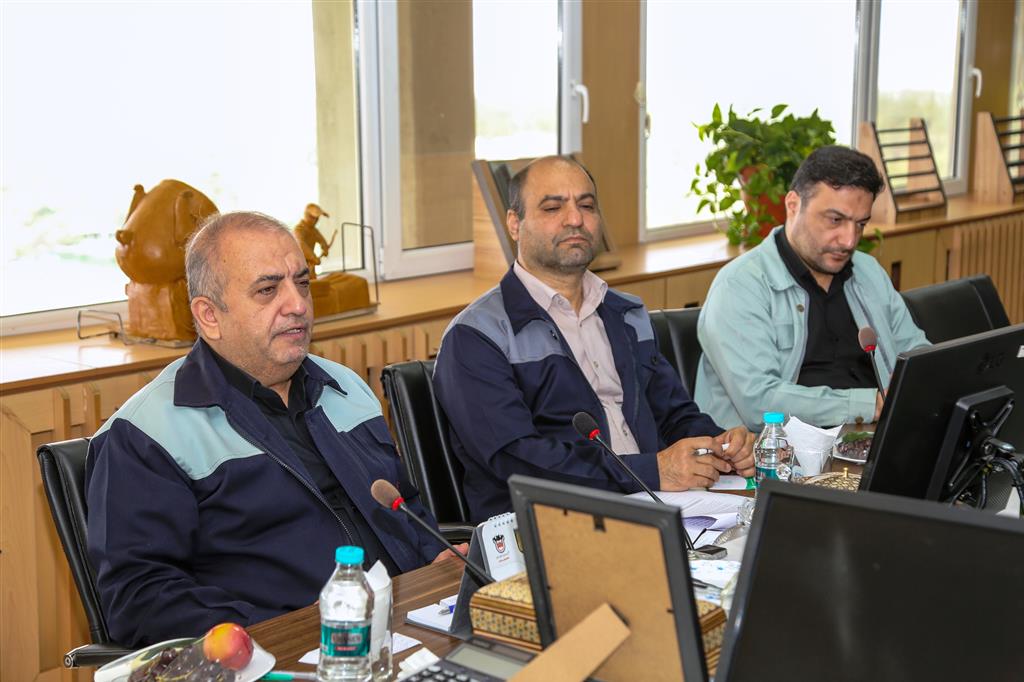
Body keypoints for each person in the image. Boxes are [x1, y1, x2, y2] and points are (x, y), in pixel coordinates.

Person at [86, 211, 458, 647]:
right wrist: (286, 631)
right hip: (281, 656)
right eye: (268, 289)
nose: (298, 304)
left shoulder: (347, 387)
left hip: (409, 627)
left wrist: (439, 559)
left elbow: (404, 508)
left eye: (302, 283)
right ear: (209, 315)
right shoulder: (146, 434)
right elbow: (140, 599)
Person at [433, 156, 755, 522]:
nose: (575, 218)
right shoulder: (476, 336)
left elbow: (674, 415)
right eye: (553, 207)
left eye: (586, 205)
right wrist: (652, 470)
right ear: (514, 224)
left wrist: (721, 445)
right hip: (552, 524)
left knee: (772, 534)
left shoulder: (626, 314)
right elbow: (519, 462)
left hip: (662, 504)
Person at [695, 145, 930, 431]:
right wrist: (870, 405)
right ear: (793, 205)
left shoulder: (867, 271)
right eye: (835, 220)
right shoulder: (740, 286)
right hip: (780, 450)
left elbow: (916, 352)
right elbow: (759, 402)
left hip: (870, 437)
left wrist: (921, 382)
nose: (849, 240)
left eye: (860, 224)